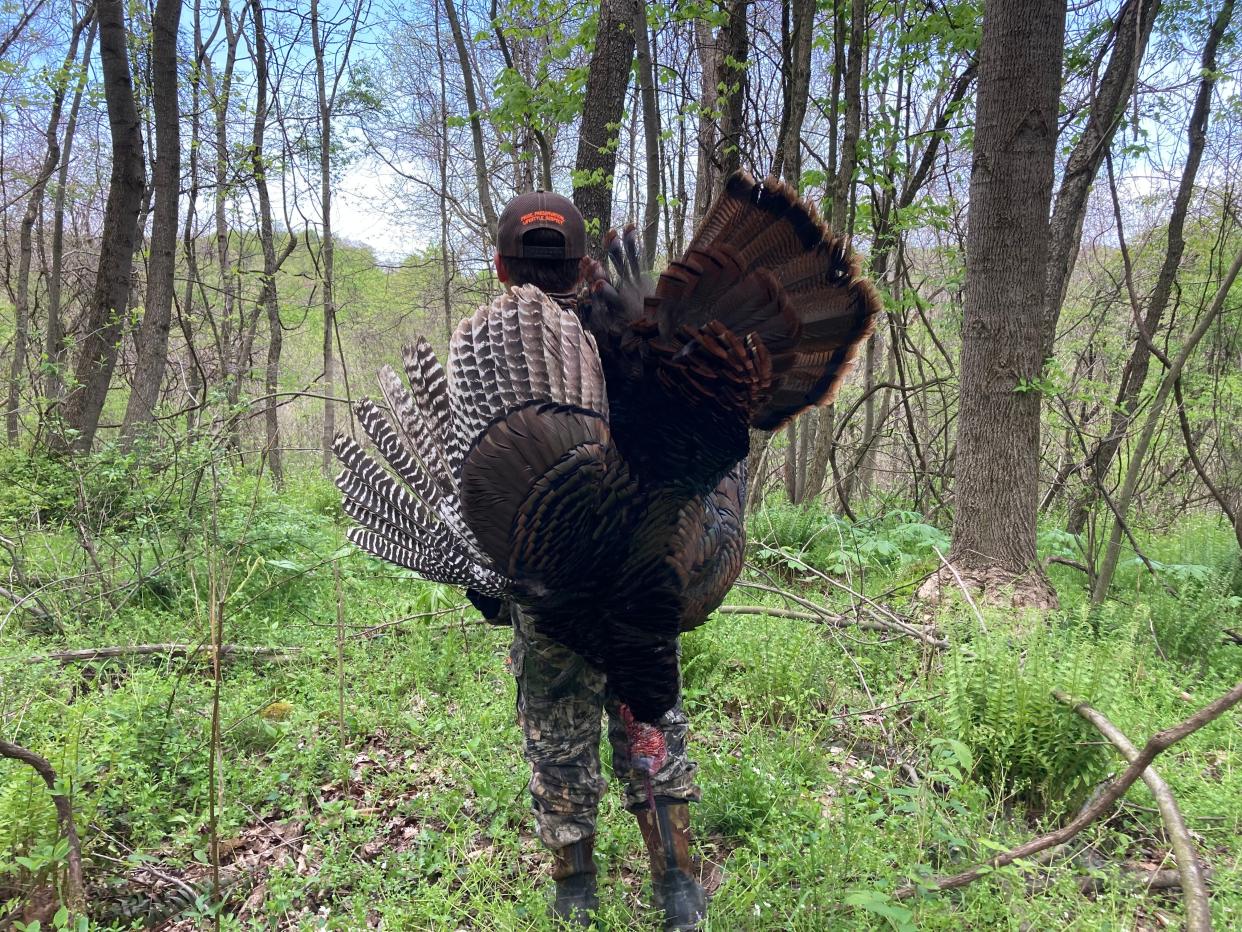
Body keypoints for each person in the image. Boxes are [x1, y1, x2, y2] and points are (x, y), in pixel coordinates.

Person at [470, 191, 711, 929]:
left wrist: (482, 579)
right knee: (648, 717)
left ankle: (577, 895)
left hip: (546, 593)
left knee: (556, 733)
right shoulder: (636, 333)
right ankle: (678, 890)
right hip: (642, 579)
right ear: (582, 261)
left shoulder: (493, 344)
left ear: (503, 267)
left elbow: (470, 484)